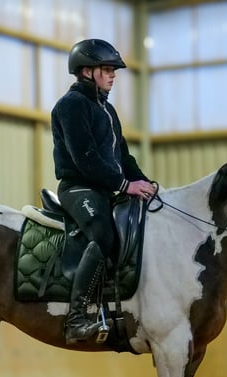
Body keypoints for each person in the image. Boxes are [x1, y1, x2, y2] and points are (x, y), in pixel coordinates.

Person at [51, 38, 156, 345]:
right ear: (86, 71)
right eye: (107, 69)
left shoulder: (107, 110)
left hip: (107, 188)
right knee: (104, 234)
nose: (113, 75)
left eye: (114, 70)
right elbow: (86, 159)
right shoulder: (71, 106)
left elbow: (123, 158)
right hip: (78, 187)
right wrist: (125, 185)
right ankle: (77, 317)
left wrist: (145, 184)